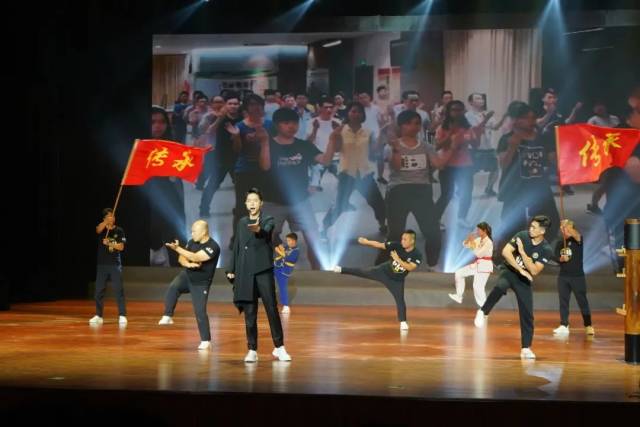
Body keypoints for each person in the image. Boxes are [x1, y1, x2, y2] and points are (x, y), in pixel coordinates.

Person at [259, 107, 338, 270]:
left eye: (294, 123)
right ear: (277, 125)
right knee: (264, 241)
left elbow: (325, 160)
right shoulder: (269, 144)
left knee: (313, 239)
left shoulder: (303, 146)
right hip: (273, 201)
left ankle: (318, 272)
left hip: (300, 201)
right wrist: (265, 143)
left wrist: (332, 140)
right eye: (286, 123)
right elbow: (265, 166)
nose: (291, 126)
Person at [381, 110, 456, 270]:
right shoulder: (391, 146)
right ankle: (387, 264)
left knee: (433, 232)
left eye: (417, 123)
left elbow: (438, 164)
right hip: (398, 191)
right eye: (409, 123)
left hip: (422, 191)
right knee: (395, 234)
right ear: (401, 126)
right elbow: (396, 166)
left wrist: (452, 148)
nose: (414, 126)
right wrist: (396, 149)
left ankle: (433, 264)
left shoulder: (426, 146)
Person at [474, 215, 555, 360]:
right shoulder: (522, 235)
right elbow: (506, 252)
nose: (530, 229)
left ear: (542, 231)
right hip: (510, 271)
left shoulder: (546, 249)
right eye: (531, 226)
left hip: (524, 280)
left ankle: (526, 348)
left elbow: (534, 270)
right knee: (500, 286)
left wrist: (522, 252)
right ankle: (483, 311)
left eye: (534, 227)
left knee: (527, 313)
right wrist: (520, 269)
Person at [226, 188, 292, 362]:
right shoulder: (241, 222)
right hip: (245, 271)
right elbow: (237, 246)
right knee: (250, 312)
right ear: (246, 204)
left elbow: (266, 231)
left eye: (255, 200)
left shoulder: (267, 220)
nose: (252, 203)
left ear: (261, 203)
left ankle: (279, 347)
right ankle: (252, 349)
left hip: (263, 270)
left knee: (271, 309)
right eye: (249, 201)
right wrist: (231, 269)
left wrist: (258, 229)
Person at [321, 102, 387, 238]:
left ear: (363, 115)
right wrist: (336, 135)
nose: (356, 114)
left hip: (365, 174)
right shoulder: (340, 130)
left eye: (359, 112)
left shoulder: (368, 132)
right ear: (348, 113)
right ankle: (324, 229)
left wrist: (382, 133)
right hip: (347, 174)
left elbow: (373, 152)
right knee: (339, 205)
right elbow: (337, 149)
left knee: (378, 203)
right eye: (353, 111)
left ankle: (382, 224)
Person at [333, 230, 422, 330]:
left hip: (396, 280)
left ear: (412, 241)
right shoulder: (397, 246)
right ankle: (342, 270)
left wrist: (398, 259)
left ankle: (403, 322)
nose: (402, 241)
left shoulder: (417, 255)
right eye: (402, 239)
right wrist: (366, 242)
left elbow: (410, 267)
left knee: (400, 300)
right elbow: (379, 245)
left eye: (405, 239)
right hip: (383, 271)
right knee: (364, 272)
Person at [158, 220, 221, 350]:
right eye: (191, 231)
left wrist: (177, 248)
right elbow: (182, 258)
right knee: (173, 287)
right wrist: (188, 264)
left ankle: (206, 340)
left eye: (194, 231)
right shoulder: (192, 242)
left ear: (204, 232)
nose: (192, 234)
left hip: (201, 283)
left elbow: (195, 257)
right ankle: (168, 315)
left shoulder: (213, 246)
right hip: (187, 275)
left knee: (200, 311)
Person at [197, 92, 242, 217]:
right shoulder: (219, 118)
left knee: (241, 187)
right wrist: (220, 118)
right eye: (230, 104)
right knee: (212, 185)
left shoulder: (242, 119)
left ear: (239, 105)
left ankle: (241, 209)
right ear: (226, 105)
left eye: (235, 104)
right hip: (221, 157)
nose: (233, 106)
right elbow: (209, 131)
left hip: (238, 158)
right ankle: (204, 209)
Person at [552, 220, 594, 336]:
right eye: (563, 228)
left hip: (577, 277)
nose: (564, 230)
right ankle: (564, 324)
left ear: (572, 228)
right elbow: (556, 257)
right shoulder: (560, 243)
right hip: (563, 277)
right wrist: (561, 259)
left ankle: (588, 325)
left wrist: (567, 226)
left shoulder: (577, 240)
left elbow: (577, 235)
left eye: (567, 228)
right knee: (563, 302)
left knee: (582, 301)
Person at [90, 208, 127, 325]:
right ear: (105, 218)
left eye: (113, 216)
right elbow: (98, 230)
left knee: (119, 290)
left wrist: (110, 243)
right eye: (110, 216)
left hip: (115, 264)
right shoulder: (102, 229)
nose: (112, 218)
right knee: (99, 291)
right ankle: (98, 315)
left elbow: (121, 247)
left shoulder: (119, 230)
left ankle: (122, 315)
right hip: (102, 265)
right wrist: (106, 222)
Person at [448, 222, 493, 306]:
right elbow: (465, 245)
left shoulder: (489, 242)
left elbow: (479, 254)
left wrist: (472, 243)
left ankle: (485, 307)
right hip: (477, 265)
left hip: (484, 266)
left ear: (484, 231)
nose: (477, 231)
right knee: (459, 273)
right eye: (477, 229)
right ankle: (459, 296)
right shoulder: (479, 239)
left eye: (479, 230)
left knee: (478, 287)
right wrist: (468, 239)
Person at [274, 233, 299, 314]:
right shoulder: (287, 247)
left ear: (294, 241)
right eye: (287, 240)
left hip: (284, 271)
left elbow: (289, 258)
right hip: (277, 267)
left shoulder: (296, 251)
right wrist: (279, 247)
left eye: (289, 240)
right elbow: (281, 248)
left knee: (282, 287)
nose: (287, 242)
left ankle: (286, 306)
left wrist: (279, 251)